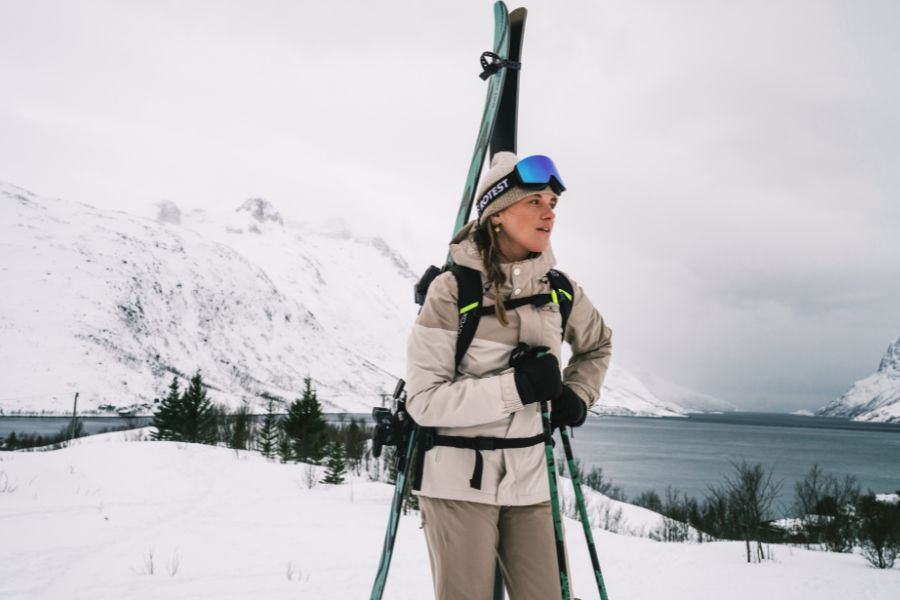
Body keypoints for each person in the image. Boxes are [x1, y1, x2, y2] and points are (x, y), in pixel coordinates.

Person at [405, 151, 613, 600]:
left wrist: (577, 395)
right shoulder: (452, 290)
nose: (548, 214)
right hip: (457, 484)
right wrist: (518, 388)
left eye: (552, 204)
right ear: (496, 214)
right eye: (534, 202)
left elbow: (597, 345)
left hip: (533, 481)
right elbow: (425, 402)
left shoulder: (560, 289)